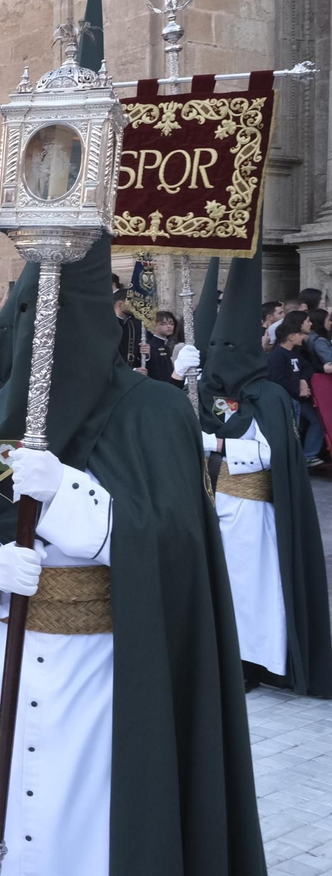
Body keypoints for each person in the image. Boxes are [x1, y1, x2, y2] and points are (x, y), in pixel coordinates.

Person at [0, 235, 266, 876]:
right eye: (36, 317)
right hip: (1, 658)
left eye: (62, 317)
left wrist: (74, 502)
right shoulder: (0, 413)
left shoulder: (155, 410)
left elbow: (179, 547)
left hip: (111, 670)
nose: (47, 340)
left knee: (93, 834)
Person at [186, 253, 332, 696]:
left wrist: (216, 445)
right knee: (221, 588)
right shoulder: (206, 389)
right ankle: (223, 658)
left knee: (252, 591)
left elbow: (271, 453)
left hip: (252, 509)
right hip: (215, 507)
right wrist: (180, 382)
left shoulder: (266, 395)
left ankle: (256, 662)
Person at [266, 310, 326, 466]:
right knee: (293, 429)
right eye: (299, 334)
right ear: (291, 337)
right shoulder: (277, 356)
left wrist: (303, 382)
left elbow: (307, 368)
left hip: (298, 398)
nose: (302, 337)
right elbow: (277, 380)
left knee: (313, 422)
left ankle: (307, 456)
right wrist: (298, 391)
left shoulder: (294, 353)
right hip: (289, 399)